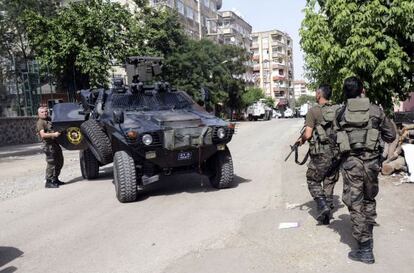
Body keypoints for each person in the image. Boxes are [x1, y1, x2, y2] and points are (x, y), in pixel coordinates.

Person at [335, 76, 396, 264]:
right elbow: (391, 134)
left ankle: (365, 249)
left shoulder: (341, 113)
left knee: (355, 202)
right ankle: (368, 230)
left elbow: (333, 138)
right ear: (362, 90)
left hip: (351, 163)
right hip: (371, 163)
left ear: (346, 92)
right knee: (368, 198)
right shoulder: (376, 111)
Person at [297, 84, 340, 224]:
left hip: (320, 153)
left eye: (316, 93)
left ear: (319, 95)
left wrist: (301, 140)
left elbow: (308, 134)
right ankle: (326, 212)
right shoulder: (338, 109)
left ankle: (322, 206)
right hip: (337, 153)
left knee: (313, 180)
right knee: (329, 180)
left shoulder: (313, 111)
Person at [36, 106, 64, 188]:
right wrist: (54, 134)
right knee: (51, 162)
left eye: (46, 112)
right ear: (38, 113)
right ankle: (48, 181)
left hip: (55, 143)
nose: (45, 113)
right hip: (48, 145)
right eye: (42, 112)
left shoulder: (49, 119)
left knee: (59, 161)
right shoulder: (40, 122)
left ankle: (55, 179)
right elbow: (43, 135)